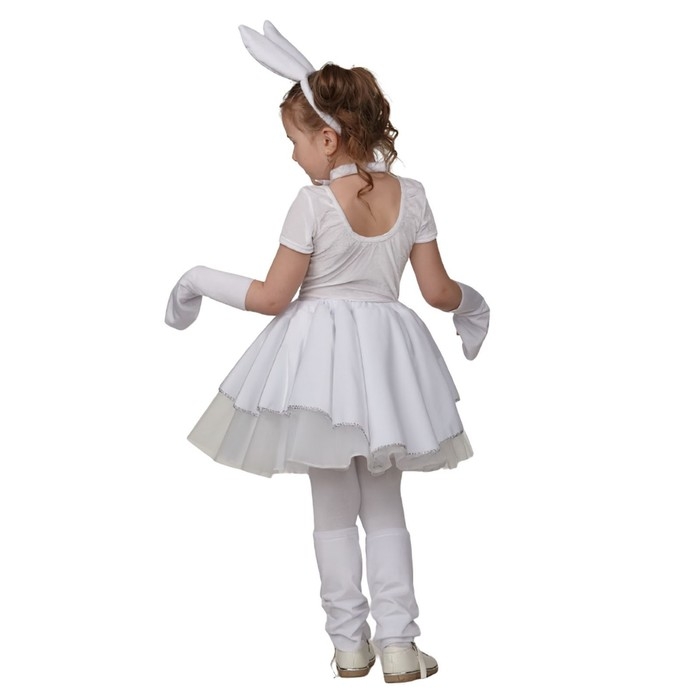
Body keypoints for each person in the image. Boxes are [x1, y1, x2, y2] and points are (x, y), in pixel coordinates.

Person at [165, 21, 489, 684]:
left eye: (294, 142)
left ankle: (348, 646)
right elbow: (436, 291)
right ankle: (399, 646)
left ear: (328, 138)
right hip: (390, 361)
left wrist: (197, 278)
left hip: (320, 368)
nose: (292, 157)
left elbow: (272, 297)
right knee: (387, 505)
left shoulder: (311, 204)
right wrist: (475, 305)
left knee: (332, 506)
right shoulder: (413, 196)